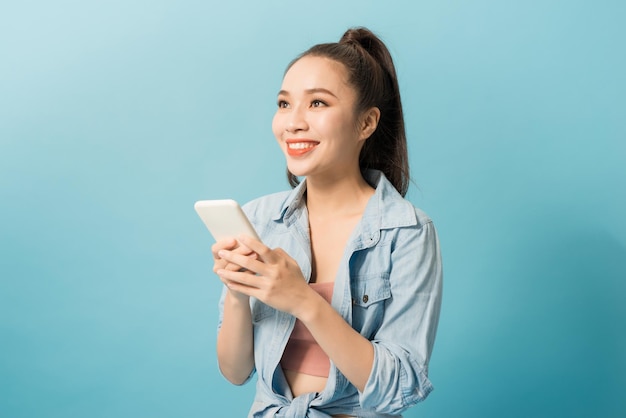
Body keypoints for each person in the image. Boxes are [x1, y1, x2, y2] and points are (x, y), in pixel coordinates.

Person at [212, 27, 443, 418]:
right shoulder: (259, 219)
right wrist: (237, 291)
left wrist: (303, 300)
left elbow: (399, 386)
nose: (293, 123)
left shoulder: (407, 232)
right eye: (284, 104)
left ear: (366, 123)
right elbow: (236, 372)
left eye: (317, 103)